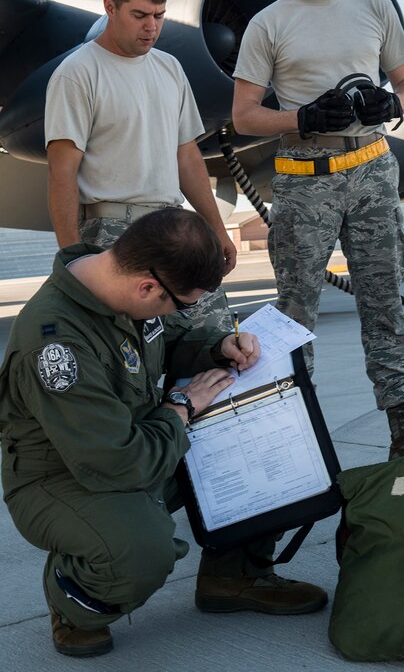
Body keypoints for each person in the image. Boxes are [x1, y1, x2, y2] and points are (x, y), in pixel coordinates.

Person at [0, 208, 327, 658]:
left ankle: (232, 577)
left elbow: (169, 341)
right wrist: (181, 408)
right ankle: (72, 599)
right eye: (184, 303)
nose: (183, 310)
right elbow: (114, 460)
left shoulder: (123, 286)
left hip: (136, 439)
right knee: (140, 552)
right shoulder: (56, 343)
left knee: (263, 448)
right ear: (149, 287)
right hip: (64, 479)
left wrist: (217, 347)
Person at [232, 0, 404, 458]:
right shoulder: (269, 23)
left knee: (384, 304)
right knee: (295, 312)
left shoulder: (374, 7)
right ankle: (298, 441)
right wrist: (302, 117)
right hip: (303, 175)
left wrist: (393, 102)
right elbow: (244, 116)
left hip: (370, 168)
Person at [45, 0, 234, 331]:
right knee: (129, 361)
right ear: (109, 7)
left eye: (159, 16)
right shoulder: (77, 74)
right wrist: (72, 259)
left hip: (172, 226)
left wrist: (217, 228)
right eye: (139, 15)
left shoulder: (170, 69)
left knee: (214, 341)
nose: (151, 27)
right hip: (111, 234)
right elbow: (62, 173)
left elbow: (187, 155)